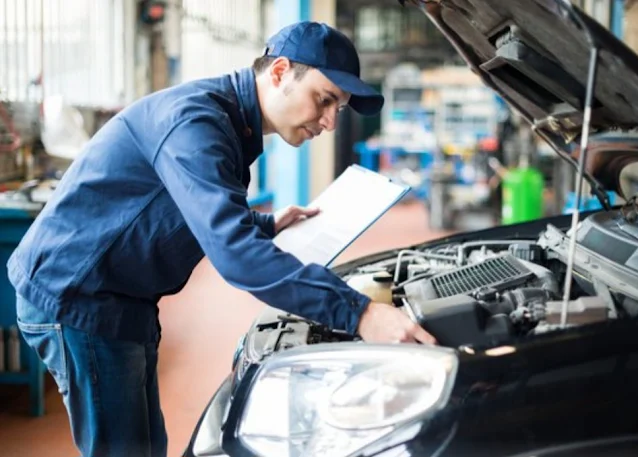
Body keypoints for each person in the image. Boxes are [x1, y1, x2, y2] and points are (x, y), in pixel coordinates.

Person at [9, 21, 435, 457]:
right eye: (324, 100)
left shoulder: (232, 124)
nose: (328, 121)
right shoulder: (197, 123)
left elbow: (181, 205)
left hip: (121, 295)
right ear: (280, 72)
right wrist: (361, 314)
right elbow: (235, 255)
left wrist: (266, 224)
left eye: (337, 110)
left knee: (147, 446)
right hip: (78, 295)